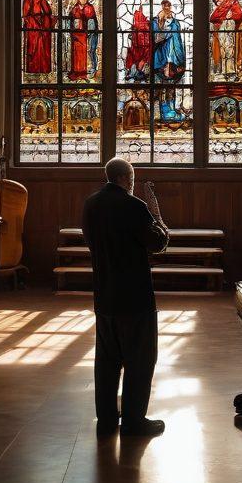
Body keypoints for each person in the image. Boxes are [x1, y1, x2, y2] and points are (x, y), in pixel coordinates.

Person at [82, 158, 170, 438]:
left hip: (104, 294)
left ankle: (107, 417)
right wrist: (159, 223)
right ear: (125, 178)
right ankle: (134, 421)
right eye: (131, 179)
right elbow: (156, 244)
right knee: (140, 360)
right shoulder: (134, 206)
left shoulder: (91, 204)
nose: (132, 183)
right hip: (134, 297)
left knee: (106, 361)